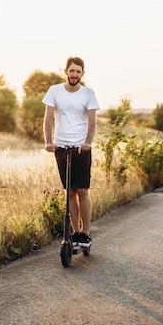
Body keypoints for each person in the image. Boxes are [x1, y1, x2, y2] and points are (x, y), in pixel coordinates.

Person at [43, 56, 99, 247]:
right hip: (61, 147)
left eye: (78, 71)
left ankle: (86, 233)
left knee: (82, 190)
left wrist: (87, 142)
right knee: (70, 191)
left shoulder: (88, 94)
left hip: (81, 148)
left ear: (82, 74)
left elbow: (92, 122)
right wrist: (49, 142)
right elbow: (48, 118)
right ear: (65, 71)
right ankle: (75, 232)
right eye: (71, 70)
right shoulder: (54, 91)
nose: (74, 74)